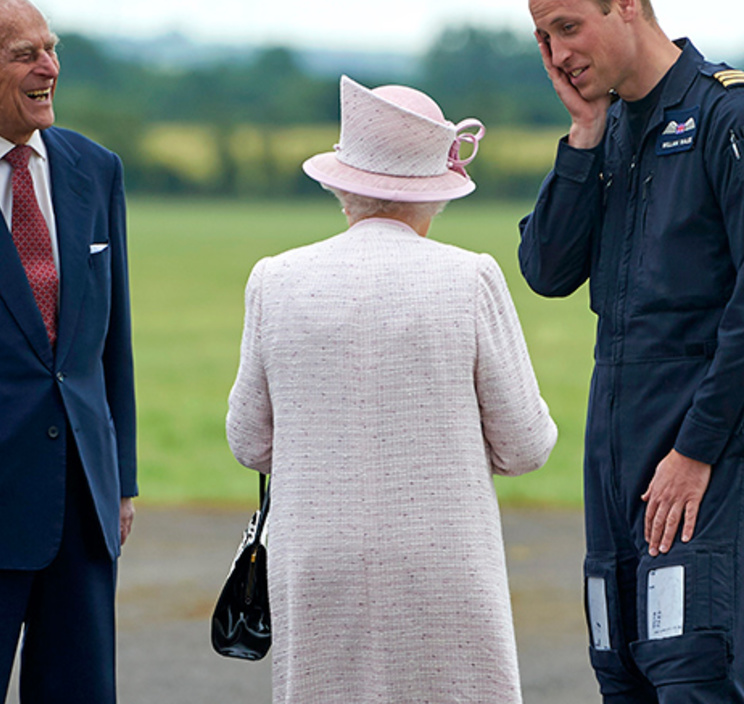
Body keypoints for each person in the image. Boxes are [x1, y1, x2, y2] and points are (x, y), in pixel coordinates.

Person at [227, 74, 557, 704]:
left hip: (314, 561)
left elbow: (248, 442)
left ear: (341, 185)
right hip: (443, 561)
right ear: (437, 192)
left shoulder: (275, 279)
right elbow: (525, 446)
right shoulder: (470, 278)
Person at [519, 0, 744, 703]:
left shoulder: (724, 116)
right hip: (614, 457)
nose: (556, 54)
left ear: (624, 2)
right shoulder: (605, 133)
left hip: (704, 456)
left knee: (694, 674)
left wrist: (696, 449)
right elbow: (547, 270)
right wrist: (583, 135)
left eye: (567, 27)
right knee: (622, 671)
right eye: (542, 38)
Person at [0, 0, 137, 703]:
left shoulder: (96, 169)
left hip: (83, 505)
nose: (49, 67)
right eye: (25, 54)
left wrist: (118, 473)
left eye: (52, 48)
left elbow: (110, 342)